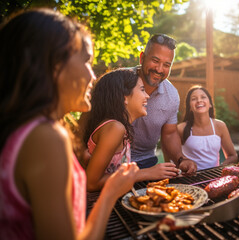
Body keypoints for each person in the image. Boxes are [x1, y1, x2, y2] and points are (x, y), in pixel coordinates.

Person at [0, 8, 138, 239]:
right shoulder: (46, 137)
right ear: (55, 65)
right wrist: (111, 192)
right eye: (86, 61)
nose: (92, 76)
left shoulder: (22, 131)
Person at [130, 33, 198, 178]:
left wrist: (181, 159)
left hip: (145, 161)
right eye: (155, 61)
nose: (160, 69)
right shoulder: (117, 82)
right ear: (142, 58)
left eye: (167, 65)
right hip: (110, 162)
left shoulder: (171, 96)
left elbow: (169, 133)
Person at [82, 67, 149, 192]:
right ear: (124, 97)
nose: (147, 96)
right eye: (142, 90)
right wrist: (146, 173)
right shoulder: (115, 128)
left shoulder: (118, 127)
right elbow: (91, 183)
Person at [177, 85, 238, 170]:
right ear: (190, 107)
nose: (199, 100)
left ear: (210, 104)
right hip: (189, 179)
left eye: (203, 97)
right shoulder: (181, 128)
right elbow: (173, 156)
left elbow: (232, 156)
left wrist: (220, 168)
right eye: (194, 99)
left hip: (214, 177)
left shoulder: (220, 126)